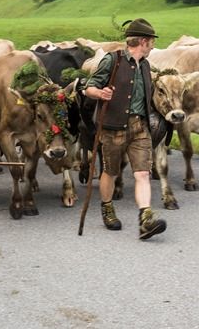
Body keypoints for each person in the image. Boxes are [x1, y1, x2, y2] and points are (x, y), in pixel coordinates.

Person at [84, 18, 166, 240]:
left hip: (140, 127)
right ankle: (107, 209)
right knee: (110, 171)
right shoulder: (113, 60)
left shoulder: (146, 66)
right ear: (143, 41)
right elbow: (89, 87)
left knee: (142, 173)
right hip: (113, 127)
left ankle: (146, 220)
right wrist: (100, 93)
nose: (153, 46)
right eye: (152, 42)